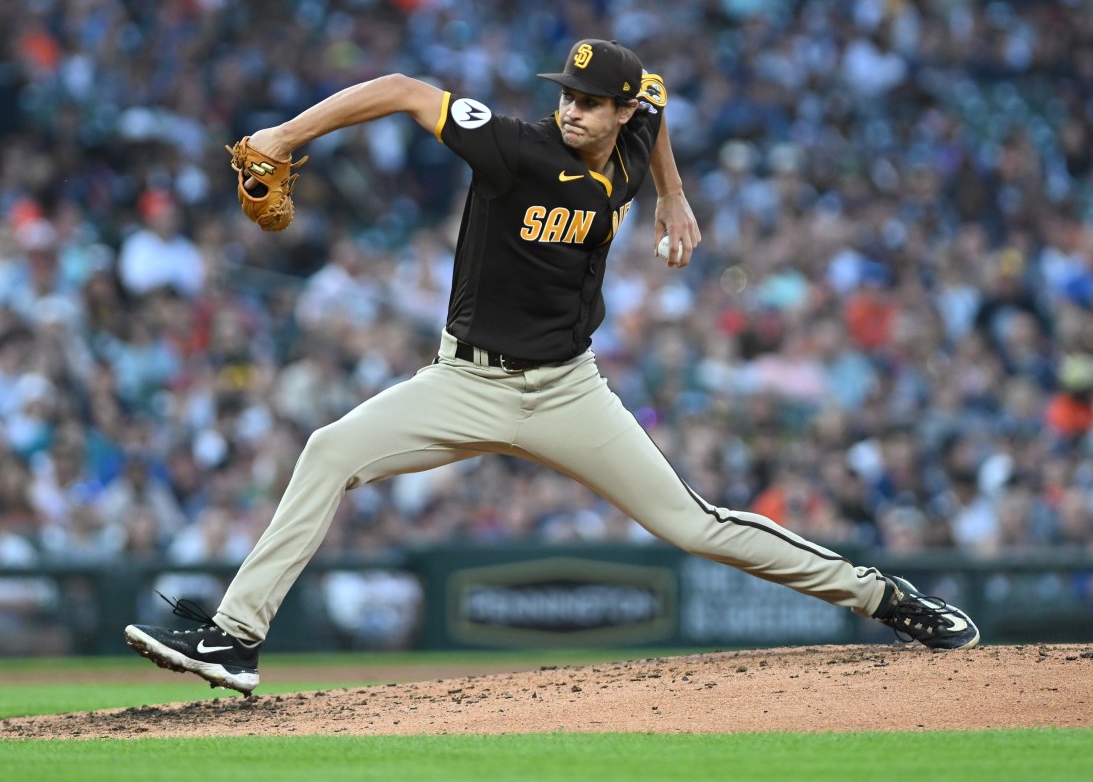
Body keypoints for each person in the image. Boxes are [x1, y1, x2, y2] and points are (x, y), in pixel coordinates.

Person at [124, 39, 979, 696]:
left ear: (618, 113)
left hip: (570, 389)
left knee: (694, 526)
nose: (573, 110)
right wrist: (282, 134)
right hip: (465, 383)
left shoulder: (635, 137)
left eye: (591, 102)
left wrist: (673, 193)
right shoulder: (515, 149)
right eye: (568, 95)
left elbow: (657, 105)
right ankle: (237, 637)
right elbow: (401, 91)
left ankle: (883, 599)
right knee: (329, 449)